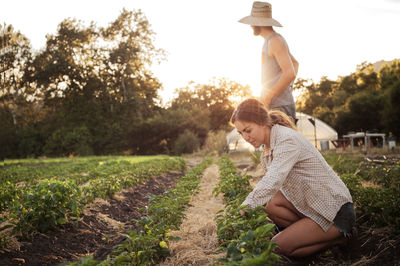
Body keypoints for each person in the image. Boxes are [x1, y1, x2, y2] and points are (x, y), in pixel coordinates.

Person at [231, 98, 358, 258]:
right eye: (241, 133)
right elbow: (271, 189)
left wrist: (245, 207)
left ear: (262, 122)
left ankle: (339, 239)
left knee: (277, 248)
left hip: (335, 213)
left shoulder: (286, 140)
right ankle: (305, 236)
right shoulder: (268, 147)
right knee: (269, 204)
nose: (245, 137)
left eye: (248, 130)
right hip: (315, 206)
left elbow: (273, 180)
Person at [239, 1, 298, 121]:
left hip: (280, 108)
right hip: (276, 106)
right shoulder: (269, 41)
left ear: (257, 23)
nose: (250, 26)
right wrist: (287, 87)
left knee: (281, 140)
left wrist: (268, 97)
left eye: (251, 22)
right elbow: (295, 64)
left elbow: (290, 72)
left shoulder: (275, 41)